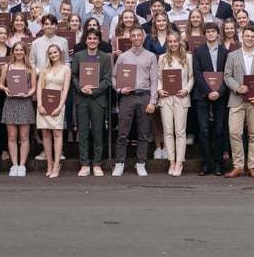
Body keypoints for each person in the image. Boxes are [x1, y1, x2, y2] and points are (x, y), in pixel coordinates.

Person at [222, 25, 254, 178]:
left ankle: (252, 166)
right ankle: (238, 166)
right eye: (247, 36)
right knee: (234, 132)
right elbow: (227, 76)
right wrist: (237, 88)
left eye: (252, 37)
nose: (249, 39)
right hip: (237, 99)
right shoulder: (232, 55)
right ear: (242, 36)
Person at [111, 26, 158, 177]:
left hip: (144, 96)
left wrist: (152, 101)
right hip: (127, 97)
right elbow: (114, 77)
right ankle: (119, 163)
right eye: (134, 36)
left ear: (144, 37)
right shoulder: (123, 57)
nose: (137, 38)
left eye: (139, 35)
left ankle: (141, 163)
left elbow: (154, 80)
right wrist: (119, 90)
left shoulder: (151, 56)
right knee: (122, 132)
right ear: (130, 38)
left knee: (143, 133)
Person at [71, 28, 112, 177]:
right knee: (82, 132)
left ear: (99, 41)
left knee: (97, 132)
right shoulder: (78, 56)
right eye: (90, 38)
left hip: (97, 99)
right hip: (82, 98)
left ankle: (97, 163)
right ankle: (84, 164)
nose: (92, 41)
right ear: (85, 40)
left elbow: (107, 79)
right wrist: (81, 88)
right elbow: (74, 76)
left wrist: (94, 91)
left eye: (95, 38)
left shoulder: (105, 58)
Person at [191, 22, 230, 176]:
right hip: (202, 95)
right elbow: (197, 73)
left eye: (214, 31)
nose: (211, 34)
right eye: (208, 31)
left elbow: (227, 73)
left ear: (218, 34)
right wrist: (208, 91)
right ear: (204, 34)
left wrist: (219, 92)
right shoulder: (198, 51)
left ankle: (219, 165)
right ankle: (206, 164)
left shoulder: (224, 52)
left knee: (220, 131)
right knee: (204, 130)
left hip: (220, 95)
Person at [157, 32, 193, 177]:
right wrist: (159, 89)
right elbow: (159, 77)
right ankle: (171, 161)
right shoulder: (162, 58)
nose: (172, 44)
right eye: (170, 42)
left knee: (180, 131)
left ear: (180, 42)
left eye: (175, 41)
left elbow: (191, 78)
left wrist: (186, 90)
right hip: (166, 99)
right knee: (167, 130)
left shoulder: (188, 58)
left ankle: (179, 161)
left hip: (181, 98)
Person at [0, 41, 37, 177]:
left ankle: (22, 165)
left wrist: (27, 93)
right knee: (12, 136)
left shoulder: (30, 67)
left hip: (25, 102)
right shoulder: (7, 67)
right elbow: (0, 84)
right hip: (10, 102)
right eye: (17, 50)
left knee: (24, 136)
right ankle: (14, 165)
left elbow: (34, 86)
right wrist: (5, 89)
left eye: (22, 50)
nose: (19, 52)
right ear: (13, 52)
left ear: (25, 52)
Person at [36, 44, 70, 178]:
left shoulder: (66, 69)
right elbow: (39, 87)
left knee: (57, 132)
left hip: (58, 103)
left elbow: (65, 90)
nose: (53, 55)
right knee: (45, 133)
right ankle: (49, 165)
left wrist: (60, 106)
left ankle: (57, 165)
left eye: (55, 52)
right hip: (44, 103)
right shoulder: (45, 69)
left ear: (60, 53)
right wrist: (39, 104)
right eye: (50, 53)